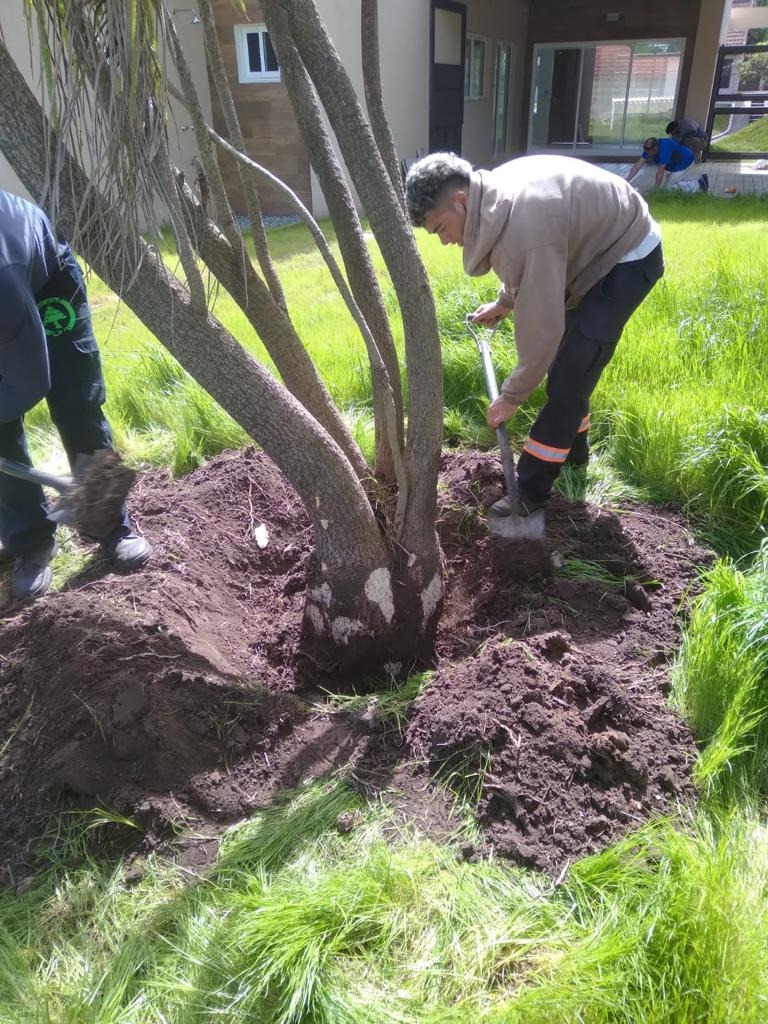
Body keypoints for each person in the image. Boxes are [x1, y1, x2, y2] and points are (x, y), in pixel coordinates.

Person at [405, 153, 664, 516]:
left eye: (440, 229)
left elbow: (542, 327)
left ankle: (528, 491)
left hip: (627, 255)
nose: (444, 241)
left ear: (461, 201)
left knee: (571, 372)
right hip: (585, 251)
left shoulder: (525, 226)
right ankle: (574, 455)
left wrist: (511, 396)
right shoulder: (494, 200)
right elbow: (530, 268)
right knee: (570, 366)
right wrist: (505, 302)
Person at [0, 189, 151, 601]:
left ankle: (109, 524)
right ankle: (31, 543)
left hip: (45, 280)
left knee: (77, 401)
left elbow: (29, 379)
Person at [626, 137, 708, 193]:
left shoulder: (664, 149)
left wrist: (656, 190)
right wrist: (626, 180)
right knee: (672, 181)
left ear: (655, 148)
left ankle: (698, 185)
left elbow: (660, 172)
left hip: (685, 161)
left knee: (668, 189)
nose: (646, 152)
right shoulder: (649, 149)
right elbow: (638, 165)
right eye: (645, 149)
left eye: (648, 150)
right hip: (676, 163)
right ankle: (698, 179)